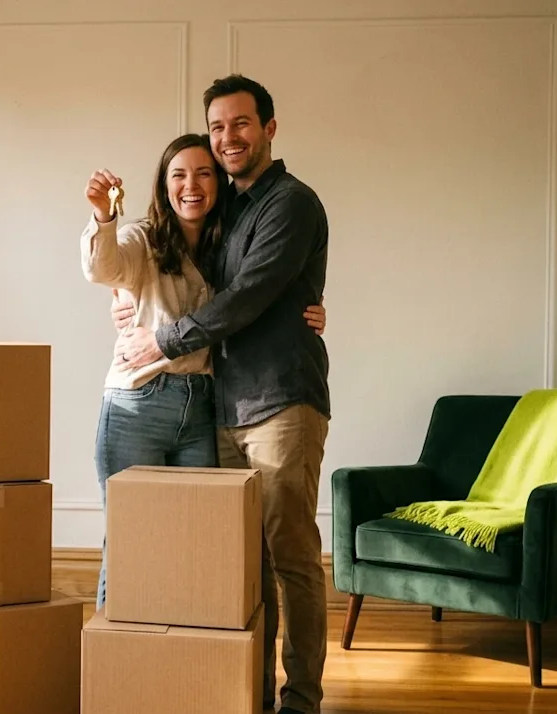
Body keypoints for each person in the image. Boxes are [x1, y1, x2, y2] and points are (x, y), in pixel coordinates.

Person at [112, 75, 331, 714]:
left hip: (282, 403)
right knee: (245, 564)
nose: (228, 137)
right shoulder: (224, 208)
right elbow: (171, 263)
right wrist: (124, 297)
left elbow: (248, 295)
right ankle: (250, 694)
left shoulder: (292, 203)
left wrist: (162, 341)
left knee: (291, 559)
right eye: (217, 127)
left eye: (241, 124)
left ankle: (301, 700)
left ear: (269, 128)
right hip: (224, 406)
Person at [80, 132, 326, 613]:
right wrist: (104, 218)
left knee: (194, 541)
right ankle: (117, 651)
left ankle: (179, 650)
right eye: (178, 175)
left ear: (219, 184)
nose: (190, 185)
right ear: (163, 185)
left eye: (203, 173)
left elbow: (253, 294)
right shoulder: (143, 238)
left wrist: (309, 307)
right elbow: (104, 268)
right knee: (129, 542)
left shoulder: (227, 247)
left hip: (203, 411)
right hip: (138, 406)